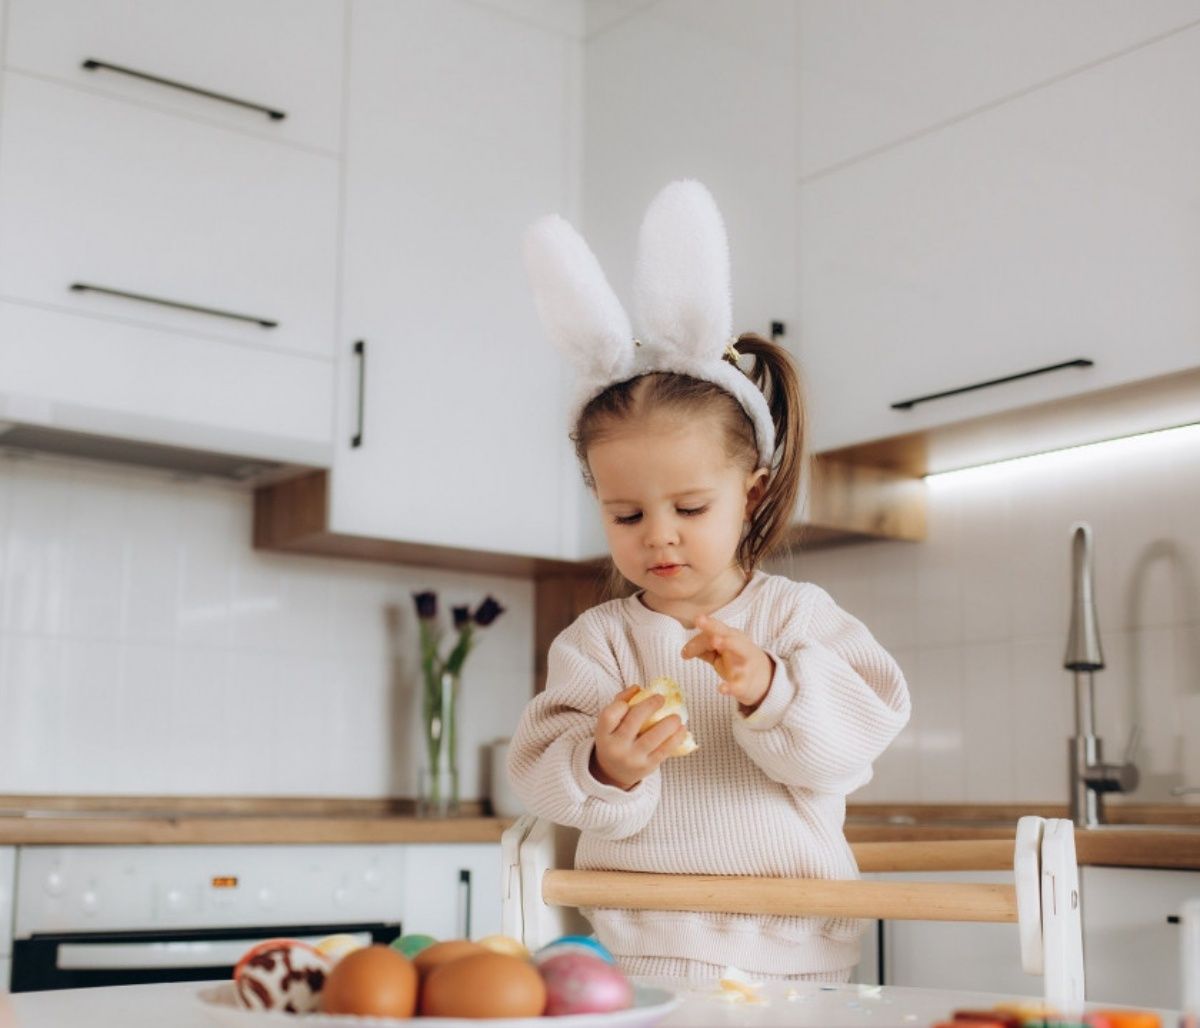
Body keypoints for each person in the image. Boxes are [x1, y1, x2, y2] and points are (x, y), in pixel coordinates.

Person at [507, 180, 911, 983]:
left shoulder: (798, 618)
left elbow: (858, 740)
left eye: (689, 506)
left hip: (798, 952)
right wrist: (604, 767)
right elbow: (541, 771)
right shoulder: (598, 643)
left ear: (751, 491)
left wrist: (774, 689)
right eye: (625, 516)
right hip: (637, 954)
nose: (657, 535)